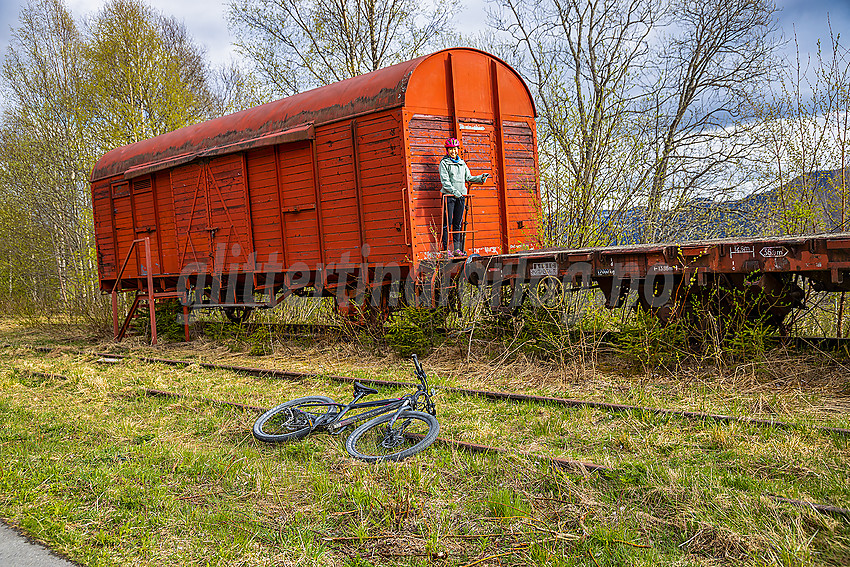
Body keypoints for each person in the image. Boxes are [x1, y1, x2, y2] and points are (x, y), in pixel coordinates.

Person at [439, 137, 489, 256]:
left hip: (461, 196)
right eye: (450, 149)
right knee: (447, 223)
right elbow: (445, 181)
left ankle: (457, 249)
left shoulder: (462, 163)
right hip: (449, 196)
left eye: (455, 149)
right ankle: (446, 250)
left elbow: (468, 178)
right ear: (447, 150)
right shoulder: (444, 163)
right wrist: (454, 191)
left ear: (458, 150)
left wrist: (480, 178)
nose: (453, 151)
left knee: (458, 223)